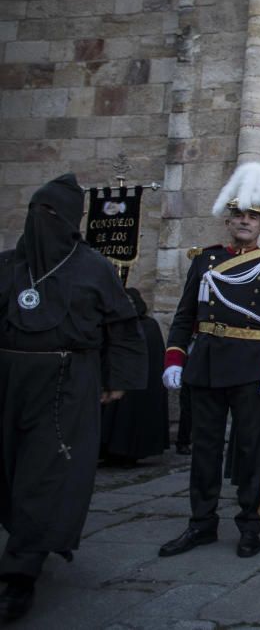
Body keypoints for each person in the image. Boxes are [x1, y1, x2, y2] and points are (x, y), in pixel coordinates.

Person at [0, 174, 148, 621]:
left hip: (66, 382)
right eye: (35, 211)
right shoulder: (9, 265)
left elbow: (122, 328)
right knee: (10, 467)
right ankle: (27, 536)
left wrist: (117, 378)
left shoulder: (93, 268)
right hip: (8, 380)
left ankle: (20, 572)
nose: (41, 221)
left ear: (68, 222)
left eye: (51, 214)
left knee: (46, 473)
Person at [159, 162, 260, 560]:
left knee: (251, 450)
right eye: (238, 215)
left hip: (252, 367)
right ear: (228, 220)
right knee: (204, 450)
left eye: (252, 217)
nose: (244, 222)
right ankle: (201, 522)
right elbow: (185, 315)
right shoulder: (205, 261)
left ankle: (250, 525)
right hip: (207, 364)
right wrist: (174, 357)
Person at [100, 287, 170, 466]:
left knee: (130, 421)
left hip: (139, 386)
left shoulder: (149, 326)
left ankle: (128, 454)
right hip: (119, 380)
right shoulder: (117, 324)